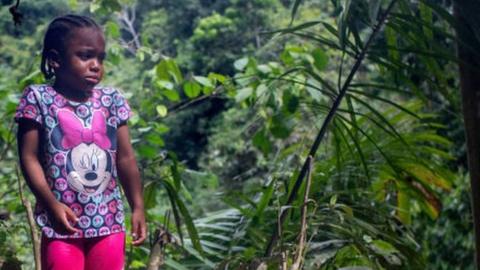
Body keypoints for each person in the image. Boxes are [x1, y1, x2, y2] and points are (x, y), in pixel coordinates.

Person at [15, 14, 146, 269]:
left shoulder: (112, 101)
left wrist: (138, 206)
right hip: (61, 226)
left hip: (108, 223)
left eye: (100, 58)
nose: (96, 65)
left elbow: (126, 158)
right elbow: (28, 158)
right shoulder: (38, 99)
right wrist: (51, 204)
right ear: (55, 60)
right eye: (85, 56)